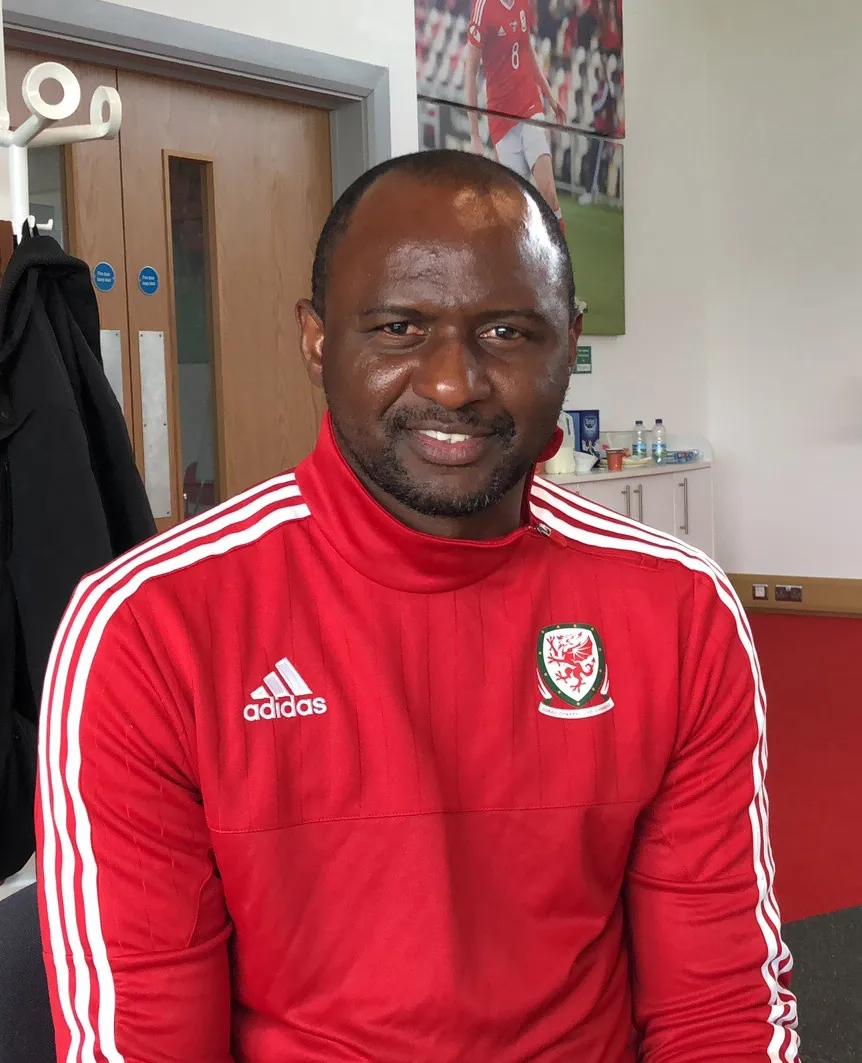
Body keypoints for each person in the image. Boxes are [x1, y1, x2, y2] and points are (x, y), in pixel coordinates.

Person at [36, 150, 800, 1062]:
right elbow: (147, 1043)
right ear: (318, 343)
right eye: (399, 328)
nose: (452, 383)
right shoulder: (148, 628)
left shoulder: (675, 608)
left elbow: (717, 1011)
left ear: (569, 339)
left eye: (509, 332)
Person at [465, 0, 568, 233]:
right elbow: (470, 70)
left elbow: (527, 48)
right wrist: (475, 136)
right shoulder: (483, 7)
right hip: (501, 118)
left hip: (529, 106)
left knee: (549, 193)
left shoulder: (523, 3)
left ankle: (563, 263)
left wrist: (548, 95)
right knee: (516, 211)